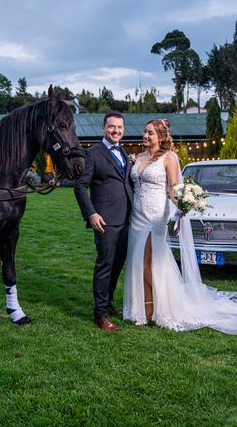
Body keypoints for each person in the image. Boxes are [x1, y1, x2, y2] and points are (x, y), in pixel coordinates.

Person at [123, 119, 237, 334]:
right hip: (137, 216)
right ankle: (144, 309)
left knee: (146, 261)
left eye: (150, 133)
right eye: (145, 132)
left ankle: (160, 305)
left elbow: (172, 188)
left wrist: (183, 203)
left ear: (161, 136)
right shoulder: (138, 157)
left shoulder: (169, 158)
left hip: (156, 216)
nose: (146, 136)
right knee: (136, 261)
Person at [74, 112, 134, 332]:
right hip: (105, 220)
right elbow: (80, 186)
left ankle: (108, 304)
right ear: (103, 128)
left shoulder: (126, 154)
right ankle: (99, 315)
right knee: (105, 266)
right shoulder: (92, 154)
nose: (115, 131)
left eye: (119, 127)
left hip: (127, 219)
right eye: (111, 127)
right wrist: (91, 213)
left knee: (117, 266)